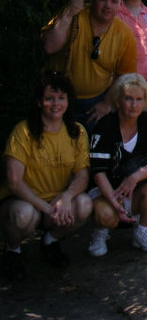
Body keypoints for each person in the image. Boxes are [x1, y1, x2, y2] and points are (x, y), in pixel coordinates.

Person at [0, 72, 92, 279]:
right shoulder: (23, 131)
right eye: (49, 98)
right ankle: (12, 250)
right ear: (40, 102)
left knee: (85, 204)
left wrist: (67, 197)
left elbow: (82, 176)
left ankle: (50, 241)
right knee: (24, 215)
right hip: (24, 201)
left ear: (68, 100)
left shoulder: (77, 131)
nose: (55, 104)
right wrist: (47, 208)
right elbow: (15, 182)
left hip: (57, 201)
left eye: (61, 98)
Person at [41, 0, 138, 133]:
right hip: (58, 97)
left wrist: (107, 104)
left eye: (114, 1)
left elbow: (125, 76)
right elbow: (50, 47)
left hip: (95, 103)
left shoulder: (124, 34)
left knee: (89, 149)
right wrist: (69, 13)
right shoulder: (74, 17)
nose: (107, 6)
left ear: (120, 5)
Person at [86, 74, 147, 257]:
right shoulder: (105, 125)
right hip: (107, 191)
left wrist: (135, 177)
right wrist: (114, 201)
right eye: (128, 99)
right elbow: (98, 172)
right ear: (117, 100)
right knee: (105, 214)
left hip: (136, 189)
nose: (134, 104)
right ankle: (100, 233)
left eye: (139, 99)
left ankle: (142, 232)